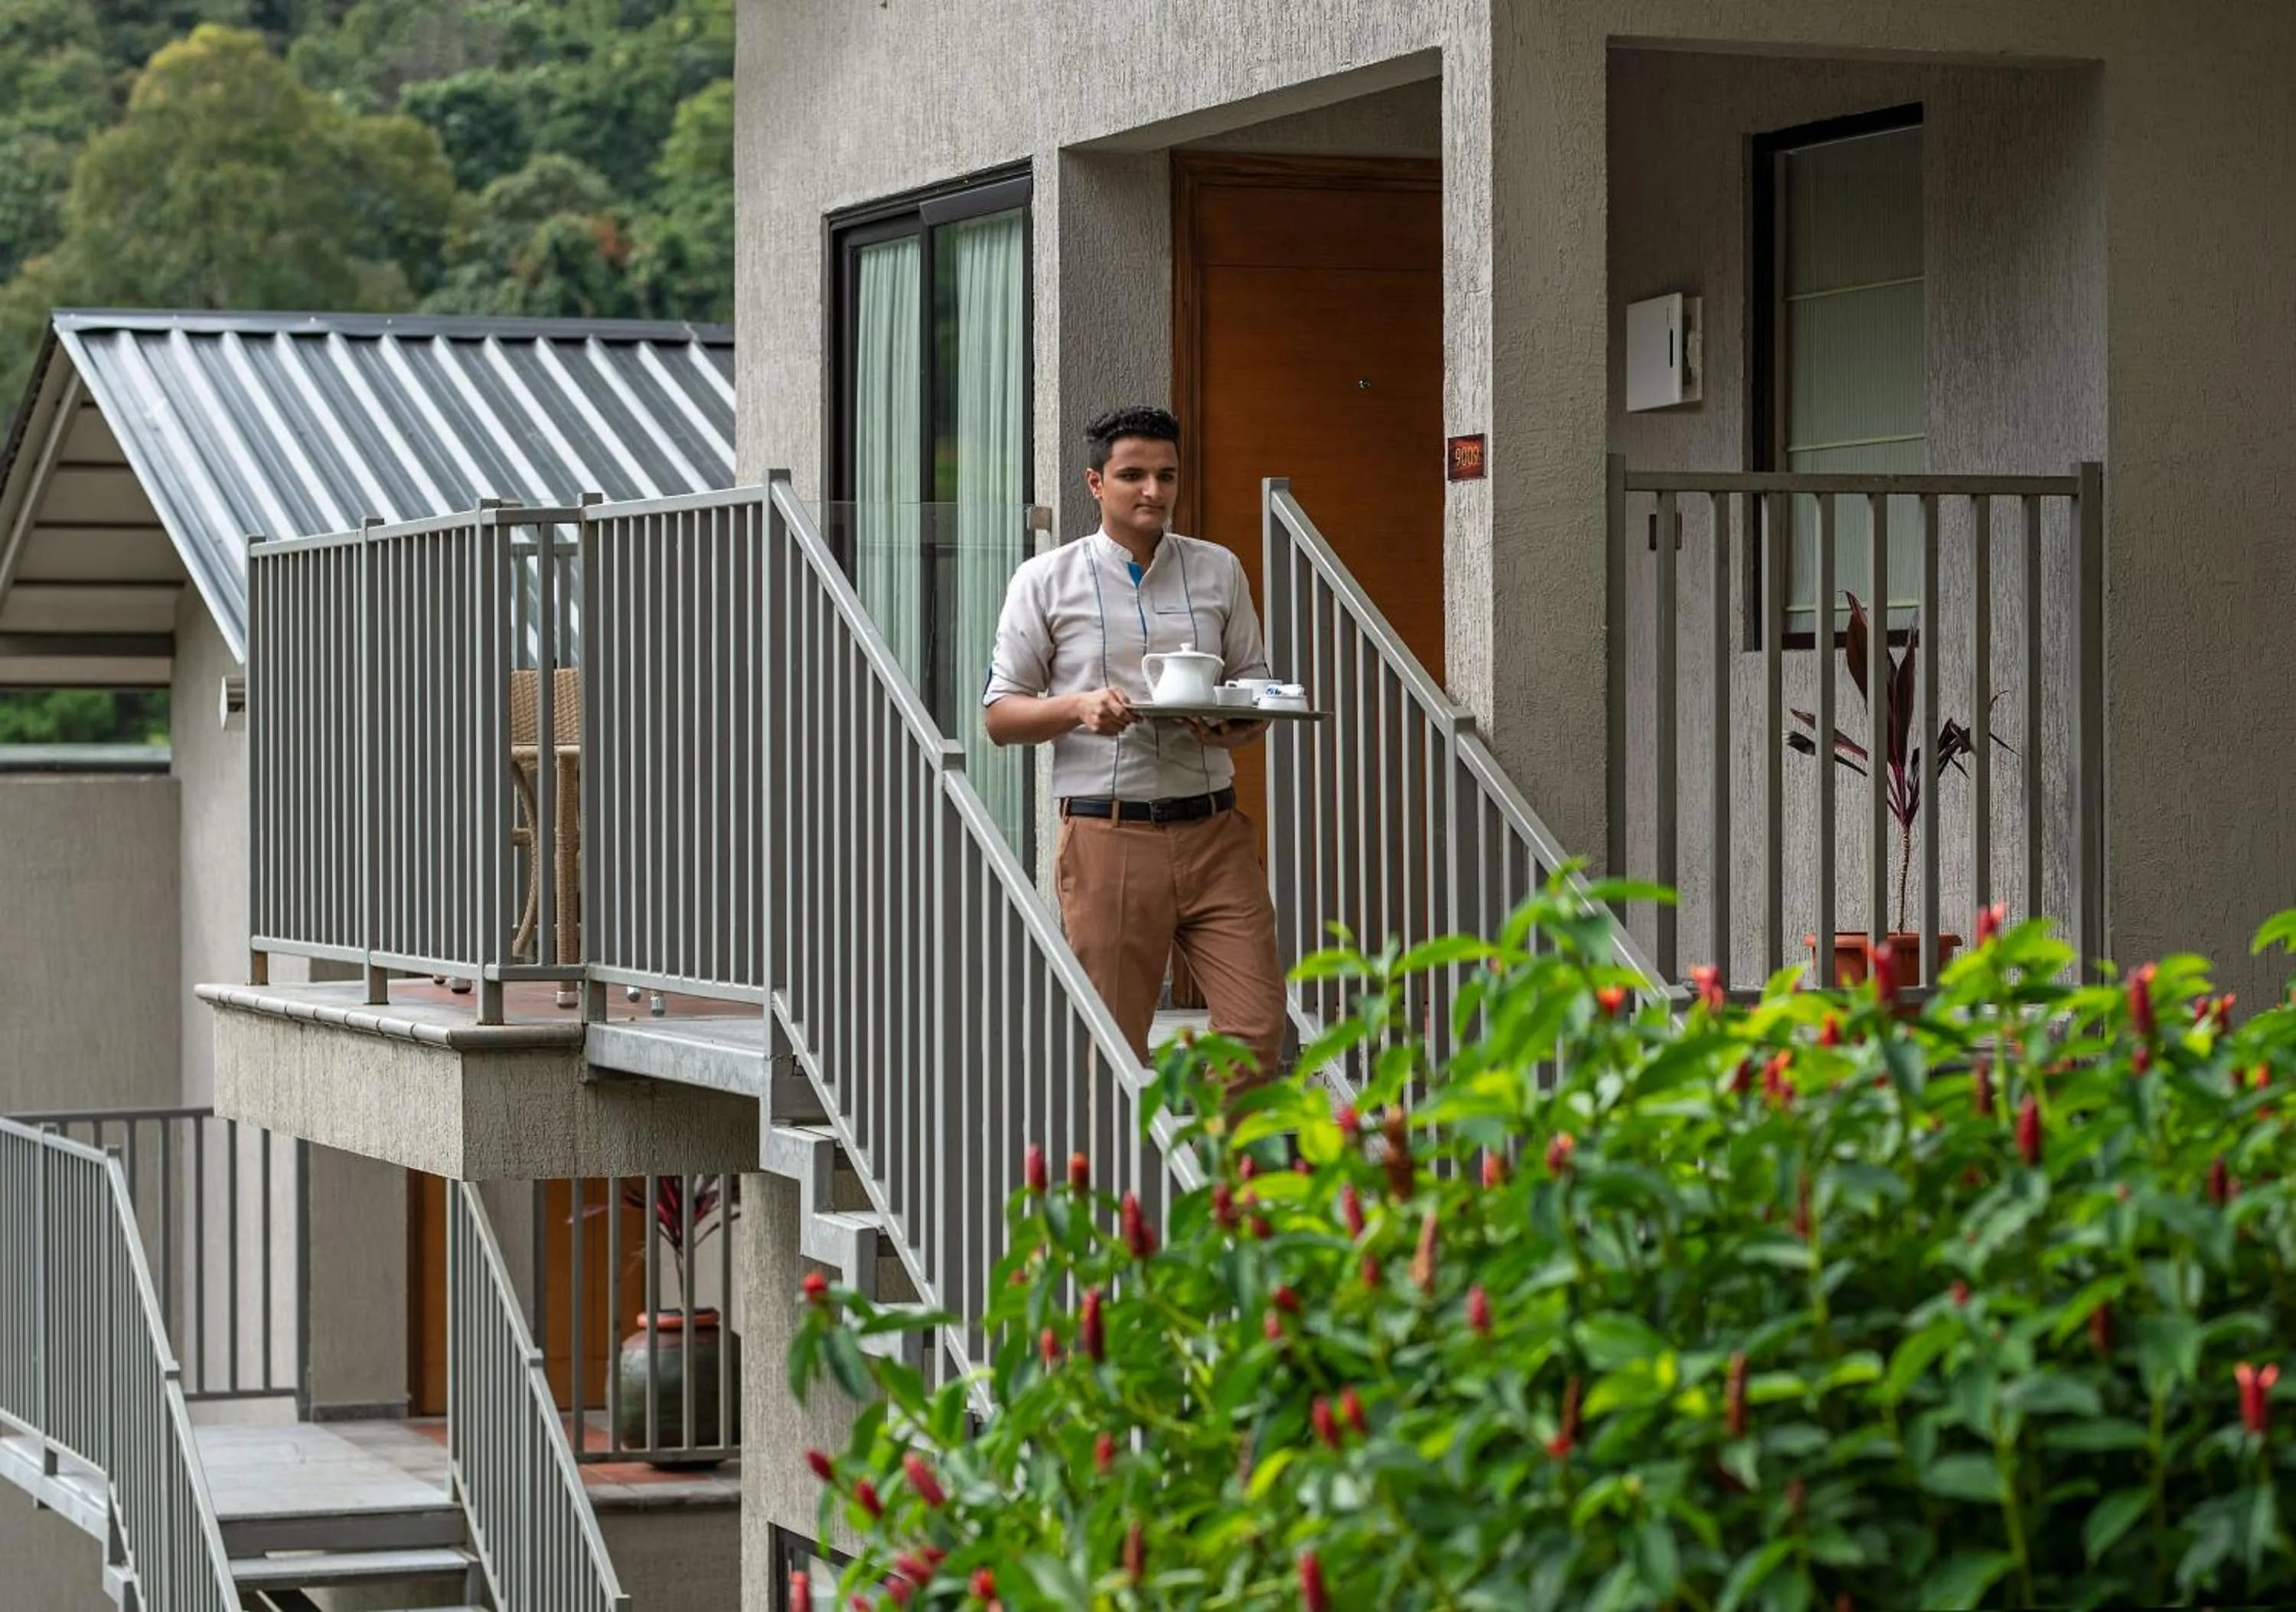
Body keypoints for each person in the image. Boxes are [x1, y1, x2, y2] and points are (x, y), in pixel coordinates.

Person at [982, 404, 1286, 1082]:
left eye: (1167, 475)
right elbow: (1000, 716)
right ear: (1096, 483)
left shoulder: (1218, 570)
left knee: (1257, 1032)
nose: (1154, 491)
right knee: (1111, 1054)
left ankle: (1219, 1182)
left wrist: (1227, 722)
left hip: (1214, 832)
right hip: (1107, 839)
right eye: (1134, 475)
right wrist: (1078, 708)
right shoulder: (1045, 581)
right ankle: (1124, 1186)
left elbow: (1257, 691)